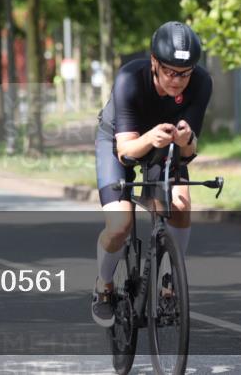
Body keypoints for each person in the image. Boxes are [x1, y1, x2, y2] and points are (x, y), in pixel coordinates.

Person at [91, 21, 212, 327]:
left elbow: (188, 150)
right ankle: (104, 286)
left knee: (180, 206)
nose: (177, 80)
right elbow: (126, 152)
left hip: (165, 142)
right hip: (120, 140)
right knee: (120, 226)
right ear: (155, 63)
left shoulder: (201, 83)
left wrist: (186, 140)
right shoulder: (130, 78)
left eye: (184, 73)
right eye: (170, 71)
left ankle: (170, 284)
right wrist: (150, 138)